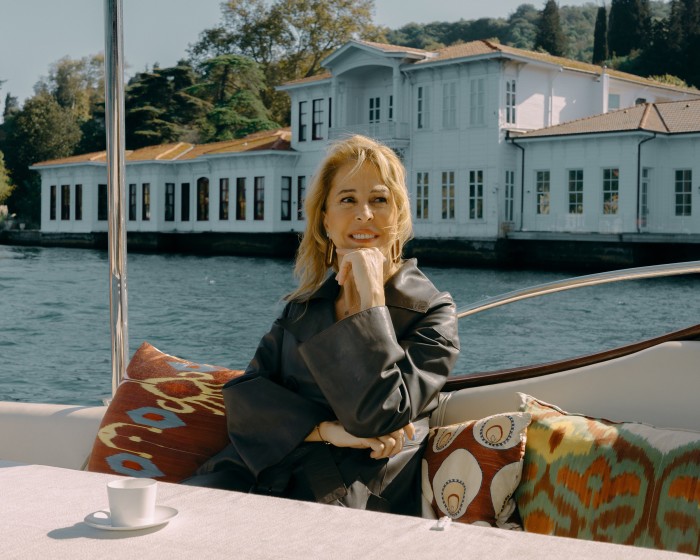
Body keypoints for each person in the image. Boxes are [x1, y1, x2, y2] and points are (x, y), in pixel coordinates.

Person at [189, 135, 459, 516]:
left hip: (346, 489)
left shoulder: (433, 312)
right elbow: (246, 399)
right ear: (326, 222)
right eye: (347, 200)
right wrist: (329, 431)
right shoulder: (301, 309)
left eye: (379, 200)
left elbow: (381, 415)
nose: (364, 213)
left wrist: (371, 303)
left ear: (398, 215)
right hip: (258, 468)